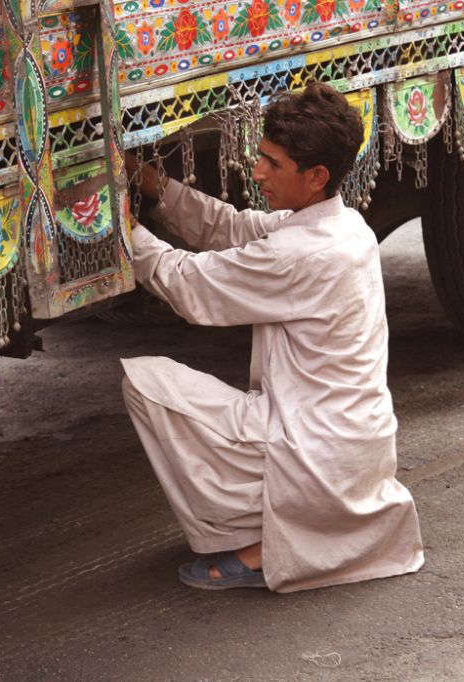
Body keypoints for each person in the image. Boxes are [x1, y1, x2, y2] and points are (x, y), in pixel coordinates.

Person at [121, 82, 424, 592]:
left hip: (314, 451)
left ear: (317, 176)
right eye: (260, 157)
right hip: (356, 445)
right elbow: (232, 228)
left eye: (272, 164)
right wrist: (150, 183)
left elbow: (186, 284)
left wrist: (118, 225)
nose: (257, 172)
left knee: (145, 380)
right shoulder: (345, 227)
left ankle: (265, 543)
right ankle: (284, 525)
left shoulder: (301, 254)